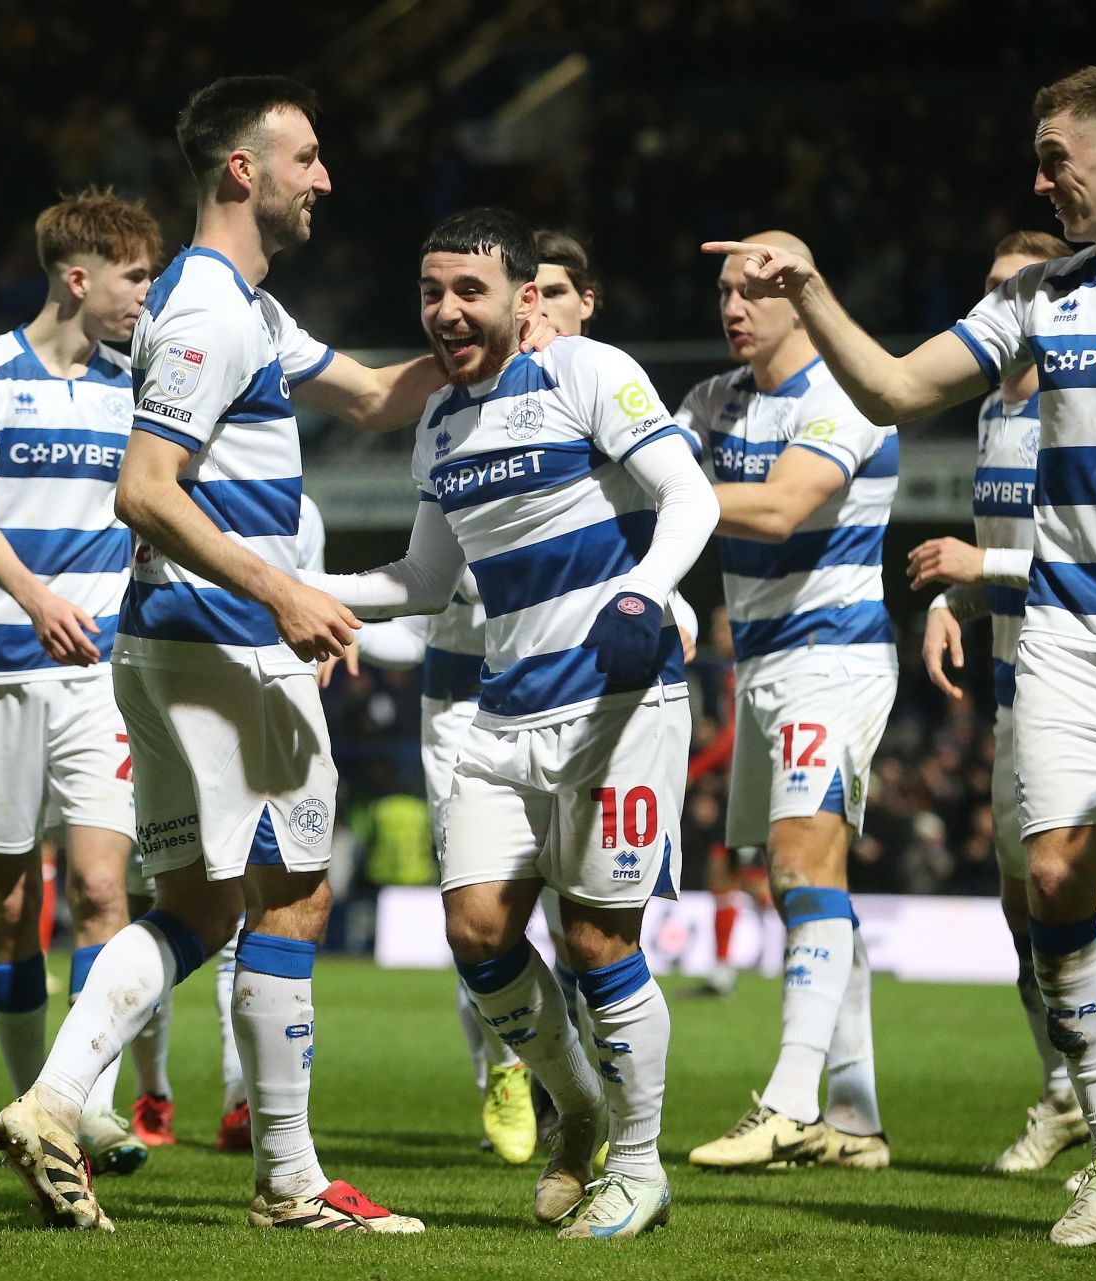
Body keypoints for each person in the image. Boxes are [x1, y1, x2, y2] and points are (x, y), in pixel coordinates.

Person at [704, 65, 1096, 1246]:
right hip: (1061, 630)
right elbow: (893, 388)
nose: (1037, 180)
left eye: (1054, 159)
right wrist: (815, 287)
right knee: (1052, 879)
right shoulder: (1042, 294)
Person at [0, 76, 534, 1235]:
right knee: (290, 902)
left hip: (172, 644)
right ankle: (289, 1181)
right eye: (309, 158)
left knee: (194, 906)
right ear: (246, 169)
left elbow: (382, 399)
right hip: (227, 645)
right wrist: (280, 587)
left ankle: (49, 1101)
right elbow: (146, 489)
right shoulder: (206, 313)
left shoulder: (251, 309)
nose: (325, 179)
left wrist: (477, 336)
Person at [302, 206, 717, 1240]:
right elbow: (427, 578)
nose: (446, 311)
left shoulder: (583, 372)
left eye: (469, 291)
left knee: (595, 938)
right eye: (431, 292)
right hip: (501, 705)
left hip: (617, 699)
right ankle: (576, 1109)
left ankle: (640, 1162)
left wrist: (648, 592)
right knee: (477, 930)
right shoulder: (440, 422)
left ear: (525, 299)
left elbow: (689, 497)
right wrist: (292, 589)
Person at [910, 230, 1096, 1183]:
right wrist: (951, 599)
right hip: (1017, 692)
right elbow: (997, 553)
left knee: (1075, 907)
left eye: (1019, 289)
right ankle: (1063, 1096)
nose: (1003, 308)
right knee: (1028, 921)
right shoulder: (993, 411)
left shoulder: (1084, 406)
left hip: (1092, 686)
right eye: (990, 291)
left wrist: (982, 569)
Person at [0, 185, 160, 1177]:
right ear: (79, 277)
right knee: (11, 900)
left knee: (104, 890)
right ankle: (29, 1092)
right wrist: (34, 597)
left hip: (102, 669)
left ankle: (82, 1108)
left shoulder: (137, 384)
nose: (146, 296)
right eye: (134, 277)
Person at [679, 232, 896, 1174]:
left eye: (755, 293)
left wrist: (659, 487)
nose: (733, 307)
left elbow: (775, 507)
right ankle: (855, 1117)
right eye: (725, 291)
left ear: (802, 300)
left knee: (807, 866)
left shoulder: (843, 394)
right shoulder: (713, 400)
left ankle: (790, 1101)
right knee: (802, 884)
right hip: (761, 667)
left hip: (833, 658)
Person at [126, 492, 326, 1154]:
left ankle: (240, 1099)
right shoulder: (154, 484)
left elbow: (311, 595)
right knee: (178, 904)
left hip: (242, 689)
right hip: (167, 678)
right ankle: (145, 1090)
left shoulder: (295, 507)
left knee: (234, 907)